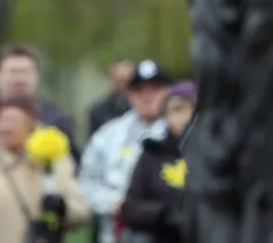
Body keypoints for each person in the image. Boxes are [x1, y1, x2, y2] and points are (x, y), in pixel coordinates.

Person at [0, 95, 88, 243]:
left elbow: (81, 212)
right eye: (0, 120)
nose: (5, 127)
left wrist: (63, 208)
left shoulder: (53, 160)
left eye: (13, 121)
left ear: (31, 125)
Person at [79, 60, 172, 243]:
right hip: (115, 233)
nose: (147, 97)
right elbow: (87, 180)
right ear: (129, 96)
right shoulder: (107, 135)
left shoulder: (179, 134)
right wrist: (113, 203)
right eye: (140, 91)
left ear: (168, 93)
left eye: (155, 89)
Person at [0, 44, 78, 157]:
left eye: (26, 72)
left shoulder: (55, 119)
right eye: (13, 72)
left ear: (36, 76)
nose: (20, 79)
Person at [120, 81, 195, 243]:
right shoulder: (153, 154)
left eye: (192, 110)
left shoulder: (214, 159)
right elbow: (131, 206)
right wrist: (164, 214)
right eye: (178, 110)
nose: (186, 117)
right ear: (166, 116)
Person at [85, 60, 134, 139]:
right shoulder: (98, 111)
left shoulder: (142, 108)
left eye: (126, 80)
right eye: (119, 80)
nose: (123, 85)